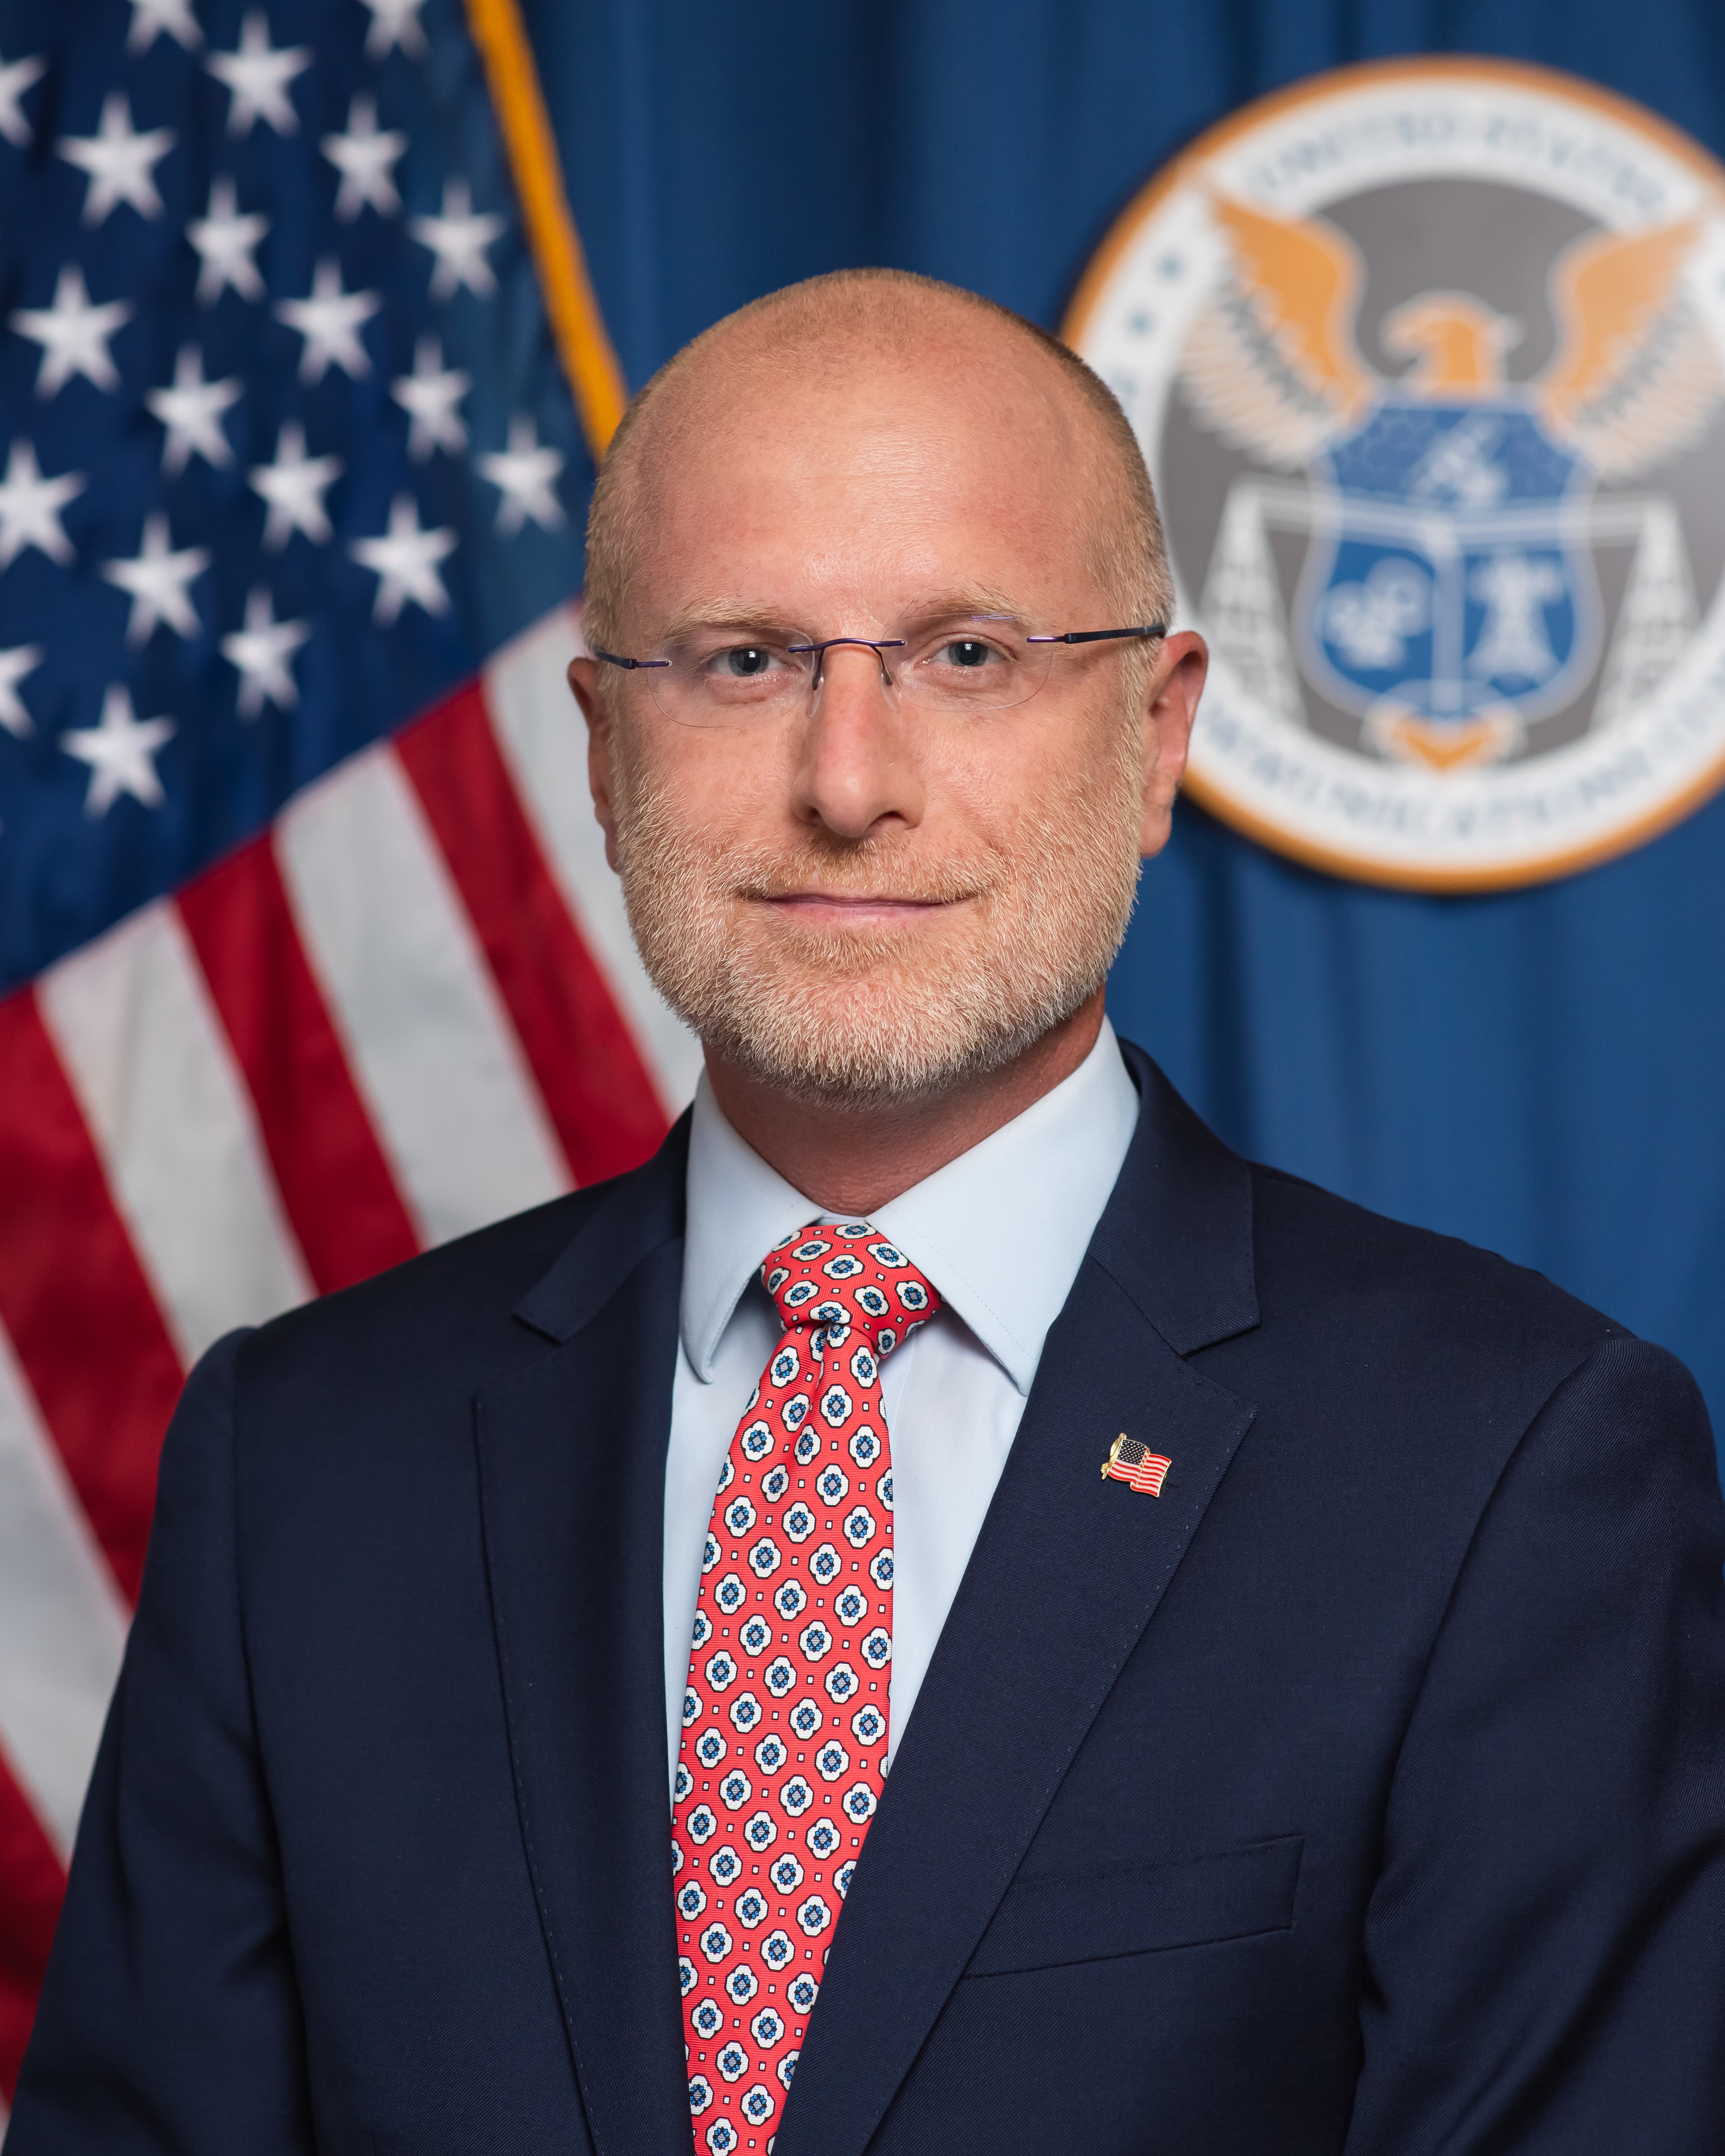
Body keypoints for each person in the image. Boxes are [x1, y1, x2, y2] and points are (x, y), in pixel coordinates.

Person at [13, 269, 1725, 2156]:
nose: (847, 783)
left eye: (966, 654)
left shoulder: (1510, 1474)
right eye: (745, 662)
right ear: (602, 751)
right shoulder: (300, 1465)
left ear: (1156, 735)